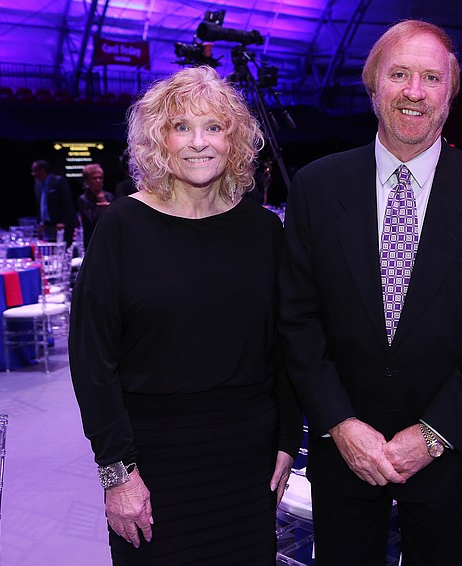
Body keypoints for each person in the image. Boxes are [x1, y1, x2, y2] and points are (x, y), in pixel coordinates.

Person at [278, 19, 462, 565]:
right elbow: (297, 319)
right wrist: (339, 424)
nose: (415, 92)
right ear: (373, 87)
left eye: (431, 78)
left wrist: (435, 433)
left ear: (449, 95)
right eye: (400, 75)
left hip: (445, 451)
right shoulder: (317, 188)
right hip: (343, 448)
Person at [69, 65, 302, 564]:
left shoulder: (263, 231)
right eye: (182, 127)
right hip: (151, 464)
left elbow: (287, 343)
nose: (200, 143)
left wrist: (287, 438)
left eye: (214, 127)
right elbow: (92, 361)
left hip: (247, 458)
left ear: (235, 139)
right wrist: (117, 473)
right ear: (159, 141)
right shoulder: (122, 227)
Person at [31, 159, 77, 246]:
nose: (33, 174)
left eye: (35, 171)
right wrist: (41, 222)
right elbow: (42, 205)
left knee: (62, 248)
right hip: (47, 226)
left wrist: (63, 222)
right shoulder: (38, 185)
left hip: (61, 226)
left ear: (42, 170)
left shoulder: (58, 181)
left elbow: (67, 202)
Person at [77, 163, 115, 250]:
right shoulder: (83, 199)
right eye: (94, 178)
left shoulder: (109, 196)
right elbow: (91, 222)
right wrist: (102, 206)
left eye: (100, 178)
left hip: (110, 239)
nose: (98, 180)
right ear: (87, 180)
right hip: (92, 242)